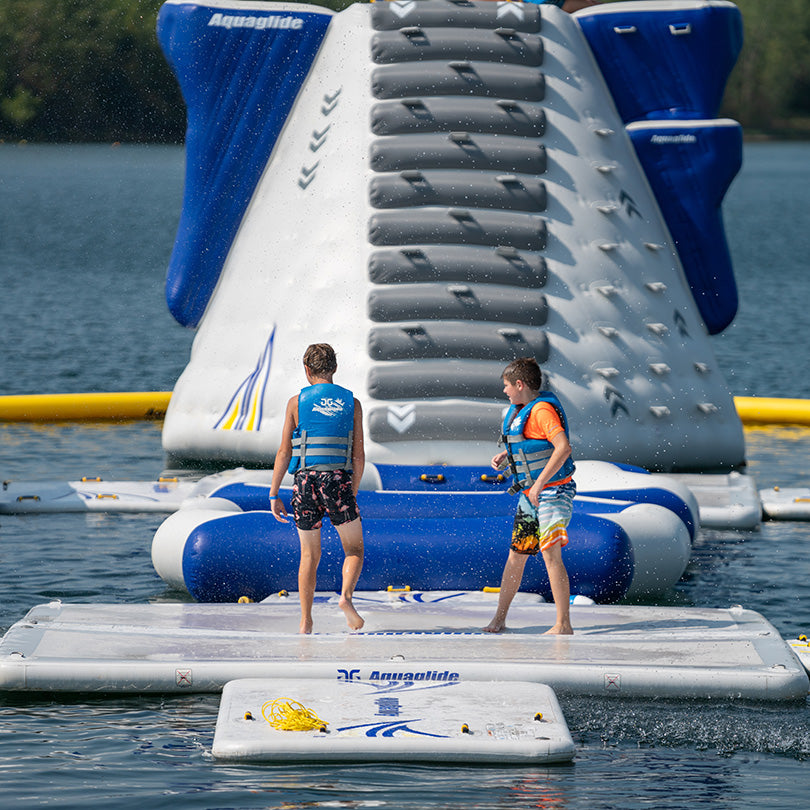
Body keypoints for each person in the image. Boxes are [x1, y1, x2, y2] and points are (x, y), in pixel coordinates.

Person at [269, 343, 365, 634]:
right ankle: (346, 598)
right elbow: (358, 455)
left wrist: (273, 493)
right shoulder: (353, 403)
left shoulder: (296, 403)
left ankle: (305, 621)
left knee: (309, 556)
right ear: (334, 368)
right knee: (354, 549)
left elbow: (285, 452)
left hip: (304, 481)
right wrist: (353, 490)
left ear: (307, 370)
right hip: (337, 480)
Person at [484, 357, 576, 635]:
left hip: (552, 492)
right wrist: (507, 454)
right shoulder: (521, 410)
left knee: (550, 553)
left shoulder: (542, 411)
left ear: (520, 384)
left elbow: (563, 448)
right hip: (530, 495)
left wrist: (539, 485)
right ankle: (499, 619)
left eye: (507, 386)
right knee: (517, 555)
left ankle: (563, 624)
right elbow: (531, 445)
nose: (505, 391)